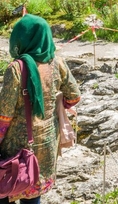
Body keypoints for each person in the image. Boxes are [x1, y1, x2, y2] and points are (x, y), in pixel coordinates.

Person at [0, 14, 81, 204]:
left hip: (16, 148)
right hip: (46, 145)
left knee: (9, 189)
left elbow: (4, 115)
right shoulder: (57, 63)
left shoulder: (16, 69)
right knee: (33, 192)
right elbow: (74, 96)